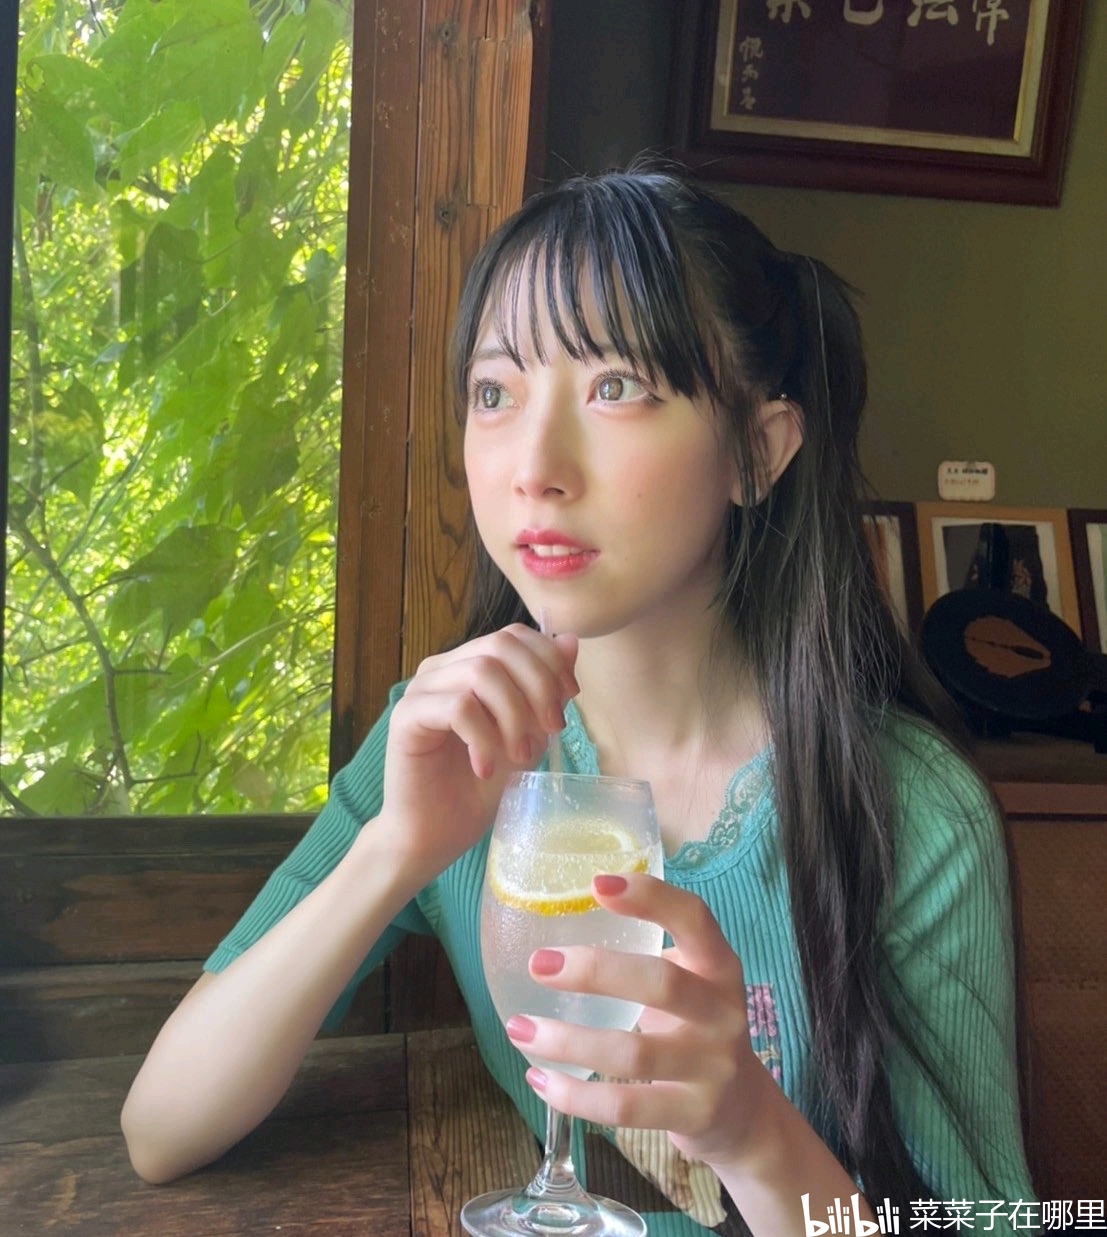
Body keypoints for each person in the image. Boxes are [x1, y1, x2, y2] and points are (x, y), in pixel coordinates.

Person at [120, 167, 1036, 1236]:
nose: (535, 469)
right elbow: (162, 1125)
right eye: (495, 393)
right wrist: (395, 850)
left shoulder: (909, 810)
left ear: (758, 451)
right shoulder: (449, 742)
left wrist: (751, 1130)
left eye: (616, 386)